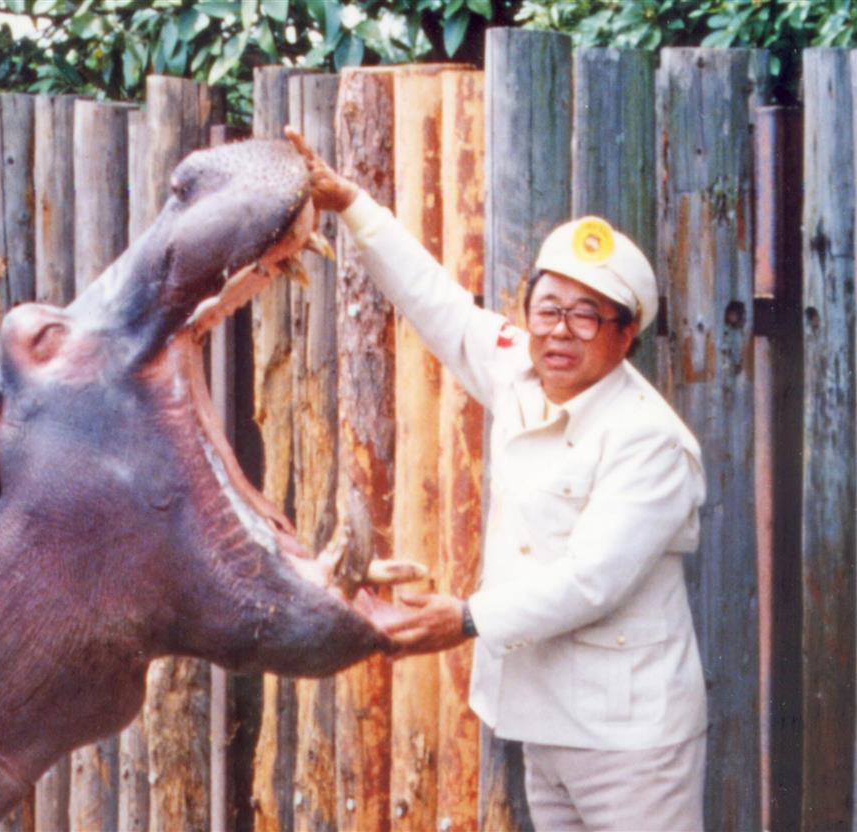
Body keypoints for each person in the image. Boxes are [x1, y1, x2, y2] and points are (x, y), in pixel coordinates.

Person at [286, 128, 709, 832]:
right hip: (543, 719)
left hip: (631, 741)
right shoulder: (520, 370)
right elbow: (439, 305)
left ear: (624, 333)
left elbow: (591, 579)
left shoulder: (651, 440)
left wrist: (465, 618)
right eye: (548, 308)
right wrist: (353, 204)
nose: (560, 332)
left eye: (587, 315)